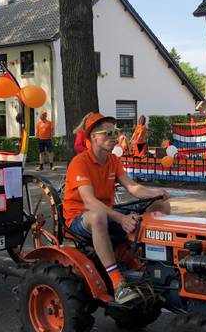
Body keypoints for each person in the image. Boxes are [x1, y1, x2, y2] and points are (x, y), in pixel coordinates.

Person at [63, 113, 170, 305]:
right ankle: (117, 283)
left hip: (106, 212)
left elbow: (133, 187)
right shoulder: (80, 162)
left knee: (160, 204)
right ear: (93, 137)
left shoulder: (113, 160)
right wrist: (121, 219)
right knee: (97, 216)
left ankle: (154, 263)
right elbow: (89, 202)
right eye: (108, 133)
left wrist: (155, 193)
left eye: (116, 132)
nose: (114, 137)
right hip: (80, 218)